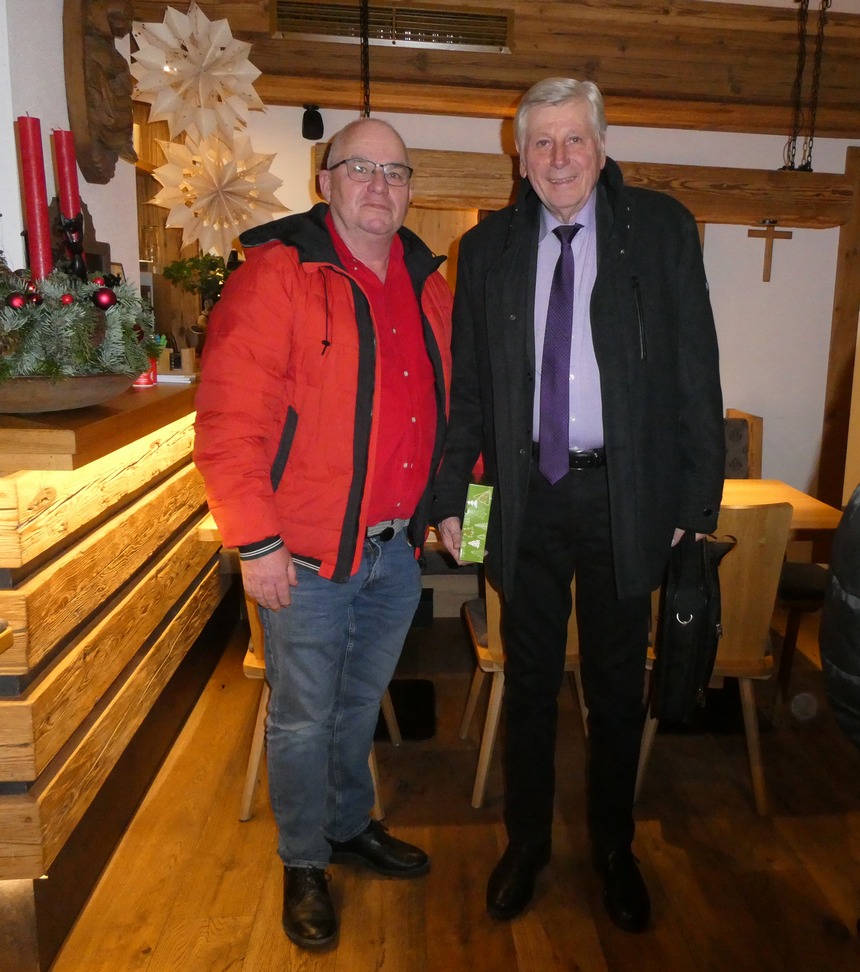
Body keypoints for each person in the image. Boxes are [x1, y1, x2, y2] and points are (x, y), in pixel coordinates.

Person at [432, 78, 724, 932]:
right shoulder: (484, 249)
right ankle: (525, 846)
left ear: (600, 147)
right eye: (542, 142)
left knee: (615, 686)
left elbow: (696, 370)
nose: (558, 158)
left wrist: (694, 499)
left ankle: (614, 850)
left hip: (624, 496)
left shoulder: (660, 230)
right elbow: (469, 395)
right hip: (520, 495)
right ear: (519, 156)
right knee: (526, 682)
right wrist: (454, 502)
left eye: (573, 140)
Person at [194, 118, 452, 951]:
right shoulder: (277, 275)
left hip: (395, 552)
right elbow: (229, 421)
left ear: (409, 189)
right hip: (303, 556)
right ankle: (304, 860)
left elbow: (461, 416)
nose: (380, 185)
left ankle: (347, 827)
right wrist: (256, 543)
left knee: (355, 706)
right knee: (303, 719)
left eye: (396, 172)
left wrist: (467, 515)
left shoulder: (430, 284)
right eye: (360, 168)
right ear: (325, 180)